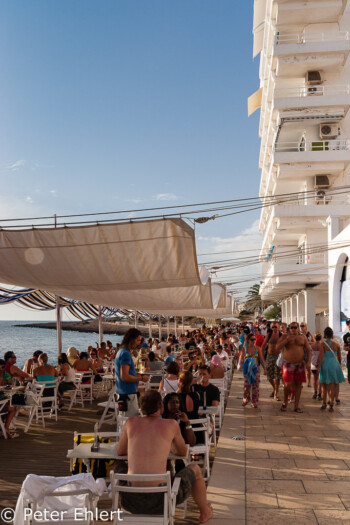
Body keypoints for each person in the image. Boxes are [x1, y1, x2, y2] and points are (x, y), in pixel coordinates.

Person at [116, 390, 213, 522]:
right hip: (161, 502)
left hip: (131, 501)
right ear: (161, 406)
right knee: (195, 469)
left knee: (119, 467)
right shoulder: (171, 425)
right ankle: (204, 512)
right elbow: (182, 453)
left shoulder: (131, 423)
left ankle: (117, 508)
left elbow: (120, 451)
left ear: (141, 407)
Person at [276, 322, 312, 413]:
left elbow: (308, 350)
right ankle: (285, 403)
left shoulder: (303, 337)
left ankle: (296, 406)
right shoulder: (285, 336)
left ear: (298, 328)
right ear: (289, 328)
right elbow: (277, 347)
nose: (293, 329)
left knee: (298, 385)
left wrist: (308, 362)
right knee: (287, 384)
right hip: (288, 364)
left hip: (299, 364)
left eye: (295, 327)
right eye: (291, 327)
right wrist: (286, 340)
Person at [115, 328, 149, 416]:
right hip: (127, 395)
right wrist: (141, 378)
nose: (138, 343)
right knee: (130, 423)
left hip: (125, 393)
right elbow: (125, 376)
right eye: (137, 340)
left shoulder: (122, 351)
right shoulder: (125, 353)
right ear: (131, 339)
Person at [318, 327, 345, 411]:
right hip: (334, 364)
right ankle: (331, 404)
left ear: (325, 334)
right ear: (332, 334)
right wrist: (339, 366)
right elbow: (339, 357)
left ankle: (324, 403)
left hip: (325, 364)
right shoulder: (337, 344)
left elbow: (321, 356)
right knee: (332, 385)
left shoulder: (323, 344)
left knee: (324, 385)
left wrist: (318, 366)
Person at [240, 333, 267, 408]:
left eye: (255, 339)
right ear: (248, 340)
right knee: (246, 386)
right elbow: (241, 359)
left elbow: (261, 359)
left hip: (256, 370)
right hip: (247, 370)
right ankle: (246, 398)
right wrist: (249, 360)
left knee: (255, 386)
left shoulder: (258, 348)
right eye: (252, 339)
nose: (254, 341)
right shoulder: (244, 348)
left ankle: (254, 401)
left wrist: (265, 368)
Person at [261, 322, 283, 400]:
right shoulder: (269, 335)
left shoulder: (281, 336)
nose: (274, 329)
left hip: (278, 357)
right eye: (273, 327)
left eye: (276, 327)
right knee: (269, 376)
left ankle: (276, 394)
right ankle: (275, 389)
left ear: (279, 327)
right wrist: (262, 357)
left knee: (277, 376)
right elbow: (263, 346)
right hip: (269, 356)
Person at [0, 360, 17, 438]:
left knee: (10, 403)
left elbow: (10, 386)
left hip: (3, 398)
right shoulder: (2, 376)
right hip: (1, 400)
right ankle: (6, 428)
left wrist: (9, 384)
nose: (1, 369)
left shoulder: (6, 375)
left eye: (3, 367)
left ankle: (2, 427)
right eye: (1, 367)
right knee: (12, 408)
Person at [300, 322, 315, 387]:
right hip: (301, 352)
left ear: (306, 326)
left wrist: (307, 342)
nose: (302, 327)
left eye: (303, 326)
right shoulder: (299, 334)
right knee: (301, 368)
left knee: (308, 368)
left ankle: (309, 382)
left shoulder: (309, 334)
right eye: (301, 326)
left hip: (308, 352)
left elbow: (313, 342)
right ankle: (301, 382)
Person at [310, 335, 323, 400]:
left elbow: (310, 354)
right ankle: (320, 394)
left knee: (315, 379)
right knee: (320, 379)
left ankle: (315, 393)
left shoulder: (312, 346)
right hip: (321, 363)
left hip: (313, 362)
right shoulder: (322, 345)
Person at [343, 319, 350, 383]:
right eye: (348, 324)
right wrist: (346, 348)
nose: (349, 325)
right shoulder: (345, 336)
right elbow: (344, 347)